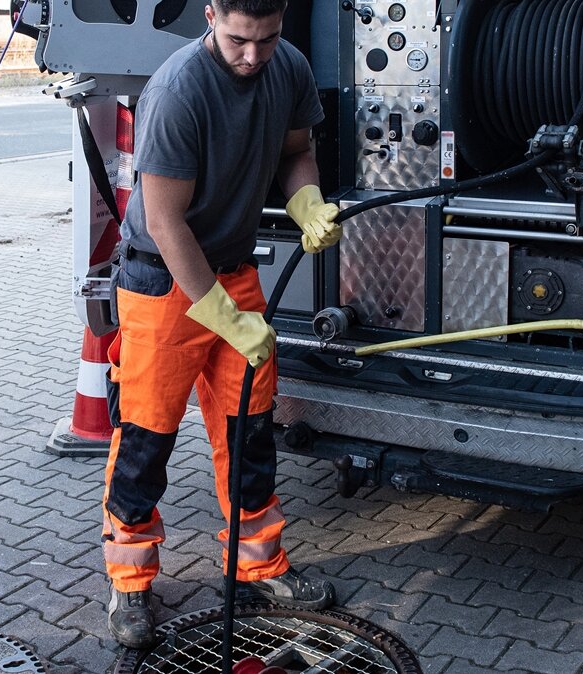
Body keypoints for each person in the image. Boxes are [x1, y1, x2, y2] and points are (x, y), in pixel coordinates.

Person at [100, 0, 342, 650]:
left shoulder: (285, 67)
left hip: (233, 271)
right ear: (210, 15)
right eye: (238, 40)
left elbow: (297, 150)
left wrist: (306, 200)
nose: (252, 56)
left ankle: (257, 565)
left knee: (250, 432)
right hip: (162, 284)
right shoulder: (178, 92)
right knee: (147, 439)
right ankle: (130, 584)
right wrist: (228, 320)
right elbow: (166, 224)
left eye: (265, 40)